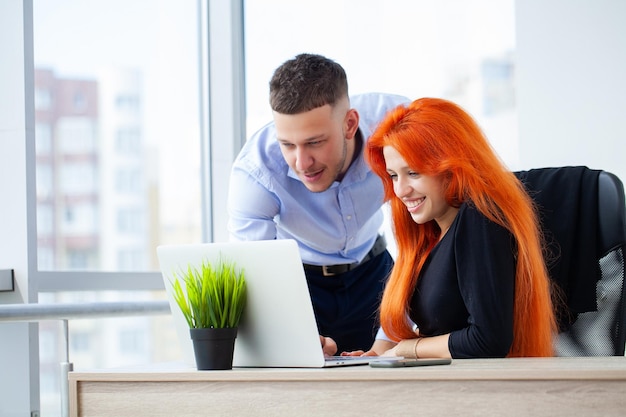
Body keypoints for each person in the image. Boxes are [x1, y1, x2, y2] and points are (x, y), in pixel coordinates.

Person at [343, 97, 557, 359]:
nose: (400, 190)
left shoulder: (479, 218)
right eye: (394, 175)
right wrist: (377, 354)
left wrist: (409, 350)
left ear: (451, 167)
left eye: (414, 173)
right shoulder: (432, 234)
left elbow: (487, 341)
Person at [227, 53, 410, 353]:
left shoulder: (397, 125)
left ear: (350, 124)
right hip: (302, 285)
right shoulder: (255, 174)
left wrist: (394, 332)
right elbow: (255, 272)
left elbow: (433, 229)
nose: (302, 162)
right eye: (287, 144)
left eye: (314, 142)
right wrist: (288, 330)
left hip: (375, 273)